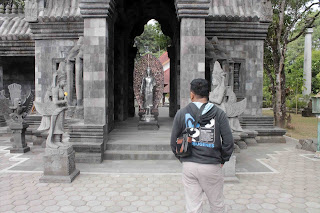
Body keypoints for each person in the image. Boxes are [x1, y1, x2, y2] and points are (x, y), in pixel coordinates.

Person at [170, 78, 234, 213]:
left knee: (193, 207)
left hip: (189, 166)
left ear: (191, 94)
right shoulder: (219, 114)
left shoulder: (182, 113)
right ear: (209, 94)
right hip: (211, 165)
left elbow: (173, 142)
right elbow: (228, 142)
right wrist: (222, 159)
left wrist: (182, 158)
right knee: (217, 204)